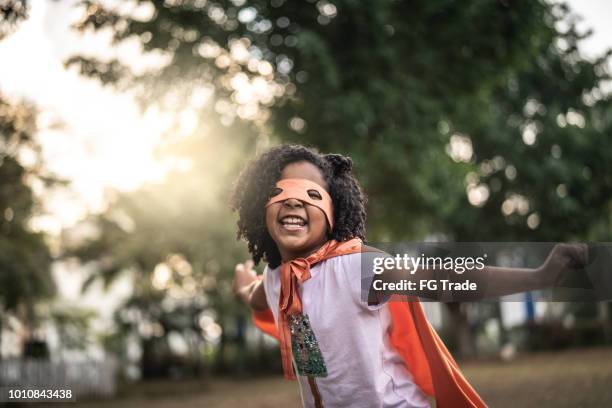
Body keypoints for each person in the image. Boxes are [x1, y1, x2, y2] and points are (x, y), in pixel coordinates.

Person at [230, 144, 588, 408]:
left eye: (311, 194)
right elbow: (255, 295)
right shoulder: (278, 278)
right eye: (281, 192)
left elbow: (447, 279)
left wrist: (540, 277)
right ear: (261, 207)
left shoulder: (356, 269)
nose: (294, 202)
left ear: (333, 211)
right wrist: (243, 285)